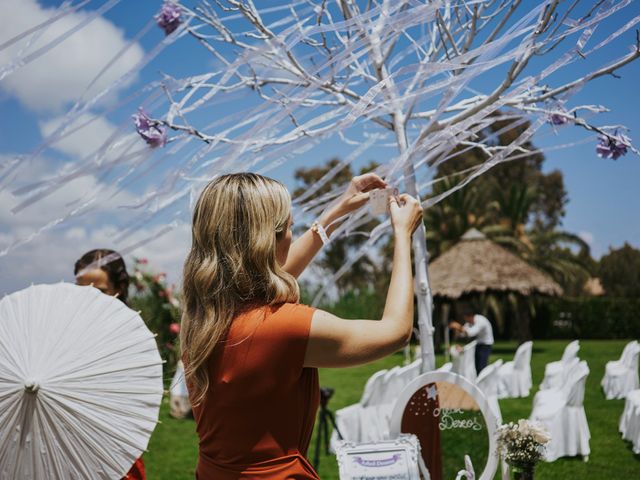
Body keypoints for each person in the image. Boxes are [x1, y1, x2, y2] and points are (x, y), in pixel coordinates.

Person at [181, 172, 423, 479]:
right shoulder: (283, 327)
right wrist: (402, 236)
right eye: (289, 228)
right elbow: (395, 332)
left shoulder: (202, 316)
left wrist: (337, 212)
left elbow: (270, 275)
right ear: (266, 241)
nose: (292, 236)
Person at [74, 249, 147, 480]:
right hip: (69, 446)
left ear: (119, 289)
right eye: (81, 290)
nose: (88, 299)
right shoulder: (63, 332)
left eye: (101, 292)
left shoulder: (131, 338)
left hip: (115, 451)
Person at [449, 308, 494, 374]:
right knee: (477, 366)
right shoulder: (469, 322)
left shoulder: (481, 321)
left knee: (482, 366)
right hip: (478, 343)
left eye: (466, 318)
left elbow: (471, 333)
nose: (465, 320)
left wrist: (459, 327)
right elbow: (463, 334)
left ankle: (483, 381)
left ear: (471, 316)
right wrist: (457, 330)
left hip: (486, 344)